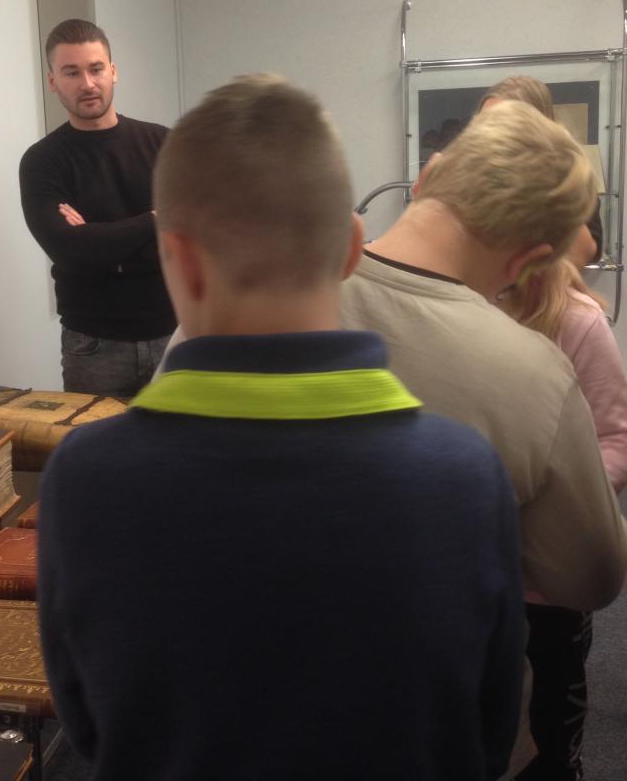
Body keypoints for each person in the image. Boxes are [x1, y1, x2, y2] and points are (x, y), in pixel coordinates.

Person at [39, 75, 526, 781]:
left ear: (178, 259)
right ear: (353, 247)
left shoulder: (85, 478)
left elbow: (86, 725)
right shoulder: (467, 475)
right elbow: (489, 733)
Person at [339, 101, 627, 779]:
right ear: (529, 260)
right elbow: (591, 575)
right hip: (438, 715)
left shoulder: (271, 299)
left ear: (426, 177)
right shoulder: (531, 372)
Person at [499, 255, 627, 781]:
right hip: (468, 571)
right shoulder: (450, 309)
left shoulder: (577, 320)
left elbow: (614, 438)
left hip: (547, 581)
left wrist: (549, 511)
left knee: (549, 726)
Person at [19, 18, 175, 399]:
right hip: (93, 345)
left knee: (182, 439)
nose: (87, 84)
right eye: (72, 72)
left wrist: (98, 239)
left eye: (96, 69)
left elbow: (194, 233)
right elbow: (71, 251)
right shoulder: (42, 161)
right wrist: (156, 220)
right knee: (95, 440)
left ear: (113, 71)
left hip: (171, 336)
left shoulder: (163, 143)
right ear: (53, 81)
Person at [479, 75, 602, 267]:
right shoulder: (477, 172)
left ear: (537, 124)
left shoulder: (568, 172)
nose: (488, 131)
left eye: (502, 122)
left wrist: (547, 174)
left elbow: (586, 250)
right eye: (483, 122)